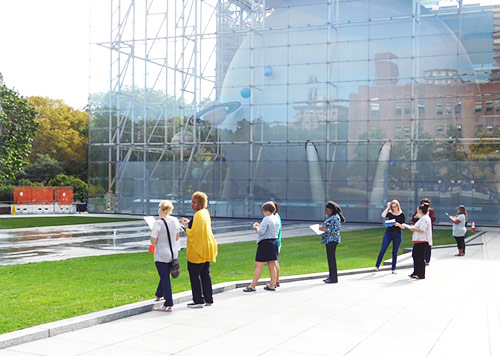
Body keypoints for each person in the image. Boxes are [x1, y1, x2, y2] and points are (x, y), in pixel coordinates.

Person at [180, 192, 218, 308]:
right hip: (206, 249)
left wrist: (185, 229)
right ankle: (208, 298)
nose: (192, 204)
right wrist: (189, 223)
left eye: (194, 202)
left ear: (200, 203)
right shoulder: (204, 213)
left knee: (194, 275)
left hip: (198, 251)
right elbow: (197, 227)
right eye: (192, 202)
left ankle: (198, 300)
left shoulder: (199, 215)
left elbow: (195, 233)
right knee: (205, 274)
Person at [151, 200, 182, 312]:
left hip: (161, 254)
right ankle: (159, 294)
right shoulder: (175, 221)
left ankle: (168, 303)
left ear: (161, 209)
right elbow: (177, 237)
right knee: (164, 275)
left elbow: (153, 241)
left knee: (165, 277)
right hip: (173, 252)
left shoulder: (158, 223)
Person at [243, 201, 281, 292]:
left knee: (258, 265)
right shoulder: (276, 218)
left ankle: (253, 286)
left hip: (265, 243)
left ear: (266, 210)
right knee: (271, 265)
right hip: (274, 242)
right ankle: (272, 284)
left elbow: (261, 232)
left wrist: (256, 228)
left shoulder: (266, 219)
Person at [397, 204, 432, 280]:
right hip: (418, 241)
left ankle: (421, 274)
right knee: (415, 256)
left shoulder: (425, 219)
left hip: (422, 241)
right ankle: (416, 272)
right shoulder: (422, 218)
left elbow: (422, 229)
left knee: (420, 257)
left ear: (420, 210)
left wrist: (413, 228)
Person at [374, 199, 405, 274]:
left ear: (398, 206)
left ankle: (393, 268)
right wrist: (388, 207)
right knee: (383, 249)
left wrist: (398, 225)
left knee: (395, 251)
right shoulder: (390, 213)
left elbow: (403, 226)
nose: (394, 208)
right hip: (389, 233)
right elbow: (383, 215)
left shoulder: (401, 215)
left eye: (395, 206)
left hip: (397, 234)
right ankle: (377, 266)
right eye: (392, 207)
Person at [318, 201, 345, 284]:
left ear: (332, 210)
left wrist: (323, 229)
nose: (327, 212)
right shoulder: (333, 217)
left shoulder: (335, 218)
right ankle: (331, 276)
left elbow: (334, 230)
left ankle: (333, 277)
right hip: (329, 239)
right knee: (330, 258)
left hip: (332, 240)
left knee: (331, 258)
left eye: (328, 210)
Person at [412, 198, 435, 265]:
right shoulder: (419, 211)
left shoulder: (429, 212)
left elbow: (433, 218)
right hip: (419, 233)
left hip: (425, 233)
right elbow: (413, 218)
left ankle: (427, 260)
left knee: (427, 246)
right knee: (417, 253)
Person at [272, 201, 282, 287]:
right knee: (274, 261)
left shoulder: (275, 217)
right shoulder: (275, 217)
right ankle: (276, 279)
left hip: (275, 242)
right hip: (277, 242)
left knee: (274, 262)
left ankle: (275, 280)